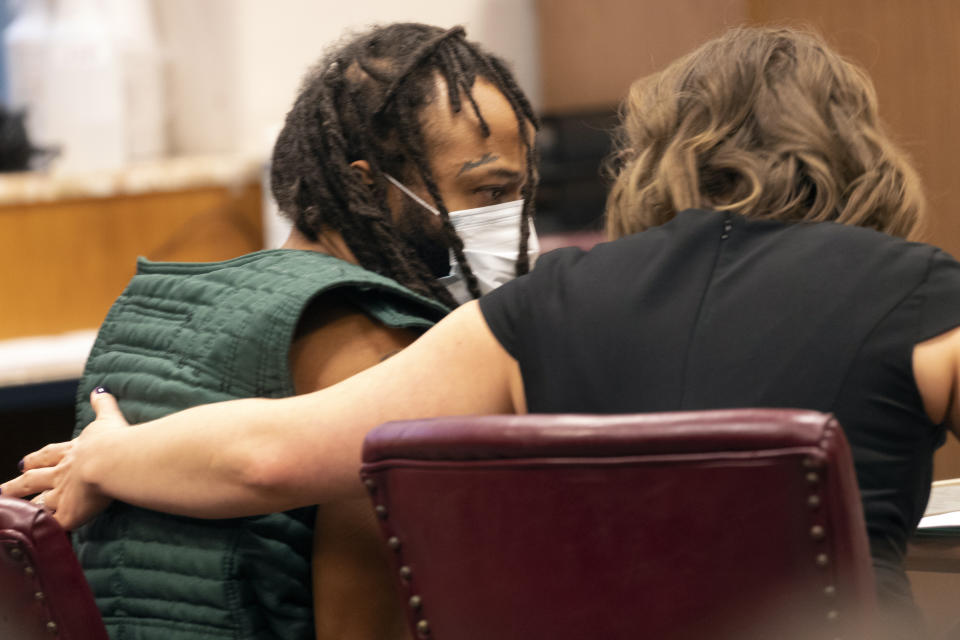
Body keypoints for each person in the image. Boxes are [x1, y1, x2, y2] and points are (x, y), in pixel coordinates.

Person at [6, 26, 954, 638]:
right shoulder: (922, 298)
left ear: (659, 155)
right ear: (862, 155)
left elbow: (266, 455)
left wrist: (108, 457)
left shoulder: (537, 310)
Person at [13, 23, 538, 640]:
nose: (514, 221)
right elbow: (370, 627)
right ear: (368, 185)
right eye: (490, 191)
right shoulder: (378, 342)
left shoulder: (154, 307)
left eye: (522, 194)